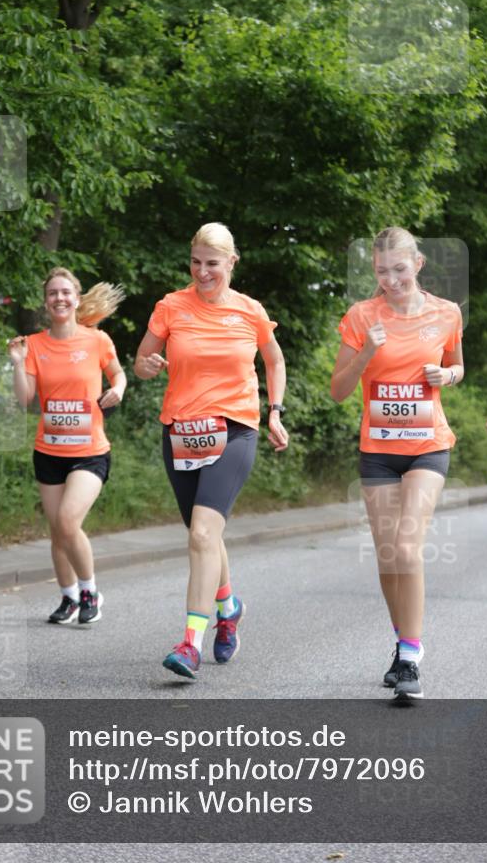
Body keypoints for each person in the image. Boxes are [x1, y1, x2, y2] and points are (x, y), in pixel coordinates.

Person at [134, 223, 288, 680]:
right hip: (182, 431)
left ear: (231, 263)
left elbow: (274, 360)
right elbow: (142, 363)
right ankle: (229, 606)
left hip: (237, 428)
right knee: (205, 535)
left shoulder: (250, 311)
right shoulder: (171, 306)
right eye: (196, 262)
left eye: (213, 264)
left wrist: (275, 411)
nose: (203, 272)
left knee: (202, 533)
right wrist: (147, 365)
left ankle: (189, 644)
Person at [331, 227, 464, 701]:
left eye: (400, 269)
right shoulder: (360, 316)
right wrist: (368, 350)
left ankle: (411, 655)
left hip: (428, 445)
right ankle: (403, 644)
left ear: (418, 265)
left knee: (407, 548)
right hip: (379, 452)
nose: (391, 280)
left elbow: (457, 366)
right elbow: (338, 390)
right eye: (382, 271)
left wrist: (446, 374)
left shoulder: (446, 313)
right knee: (389, 556)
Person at [8, 267, 126, 625]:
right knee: (57, 530)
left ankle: (90, 590)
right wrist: (16, 365)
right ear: (46, 302)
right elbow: (25, 399)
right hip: (49, 451)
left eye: (65, 292)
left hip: (90, 451)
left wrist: (117, 389)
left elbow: (117, 373)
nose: (59, 298)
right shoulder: (34, 345)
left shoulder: (97, 340)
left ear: (76, 298)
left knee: (67, 520)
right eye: (52, 293)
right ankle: (68, 596)